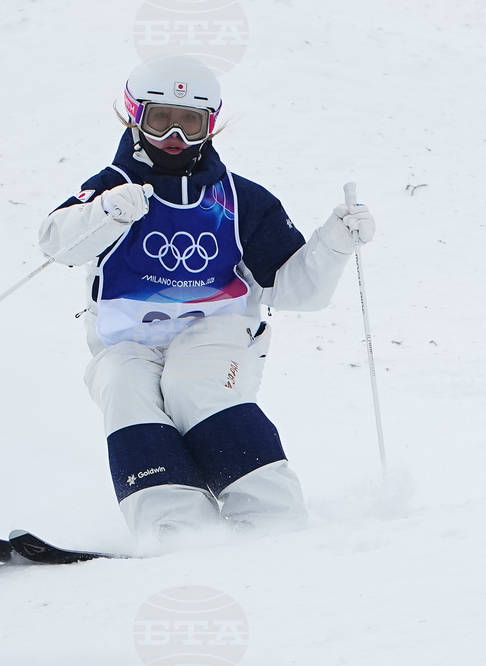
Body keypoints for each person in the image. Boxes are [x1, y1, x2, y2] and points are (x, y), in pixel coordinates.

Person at [38, 56, 375, 547]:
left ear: (209, 124)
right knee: (123, 385)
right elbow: (55, 244)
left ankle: (272, 515)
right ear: (135, 116)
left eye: (189, 122)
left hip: (218, 330)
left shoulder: (240, 199)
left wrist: (335, 245)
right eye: (160, 120)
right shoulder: (108, 188)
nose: (174, 134)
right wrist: (104, 214)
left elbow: (294, 289)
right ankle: (175, 527)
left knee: (190, 384)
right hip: (126, 340)